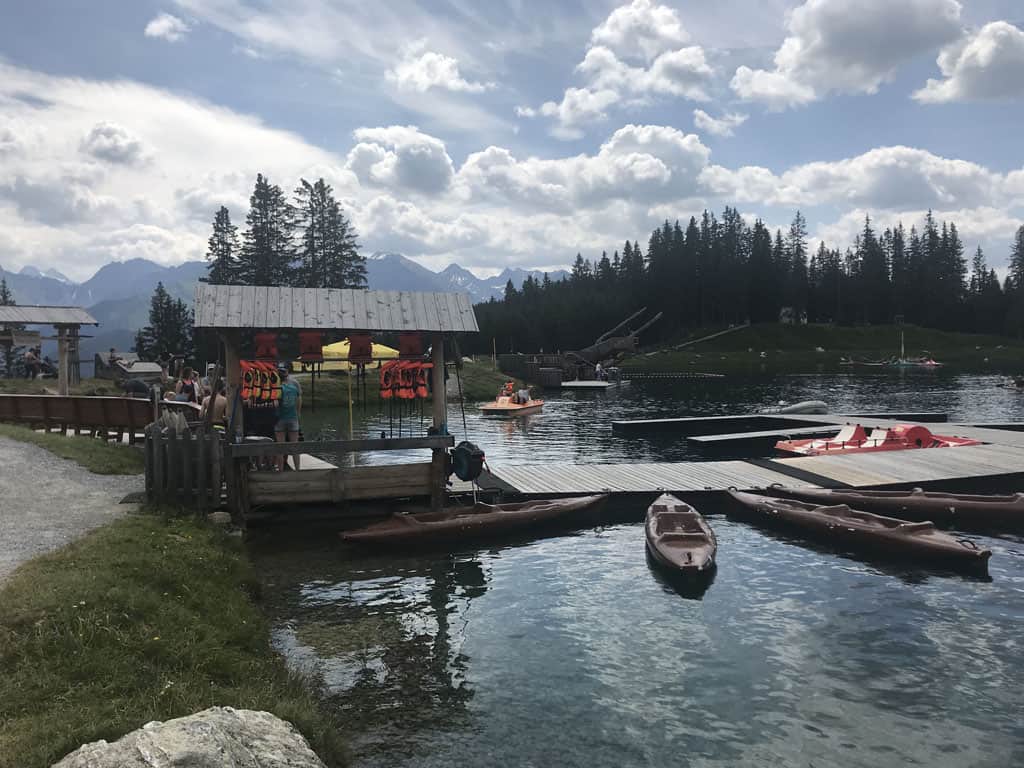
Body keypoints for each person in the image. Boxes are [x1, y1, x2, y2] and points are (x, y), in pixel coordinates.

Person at [275, 364, 302, 471]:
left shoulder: (277, 387)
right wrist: (298, 413)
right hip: (293, 418)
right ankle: (298, 469)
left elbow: (276, 404)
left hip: (280, 419)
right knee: (295, 446)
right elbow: (299, 399)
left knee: (280, 447)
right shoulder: (294, 385)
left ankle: (280, 471)